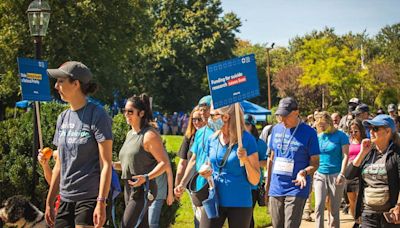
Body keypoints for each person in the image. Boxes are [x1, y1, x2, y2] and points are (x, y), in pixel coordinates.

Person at [45, 61, 113, 228]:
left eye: (61, 81)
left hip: (89, 197)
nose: (56, 86)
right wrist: (49, 201)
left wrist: (101, 202)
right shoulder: (62, 118)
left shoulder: (97, 114)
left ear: (76, 84)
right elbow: (59, 164)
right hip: (65, 198)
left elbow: (106, 163)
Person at [112, 94, 172, 228]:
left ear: (141, 113)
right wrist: (110, 165)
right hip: (130, 187)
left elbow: (164, 163)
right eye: (124, 111)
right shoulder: (130, 134)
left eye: (130, 111)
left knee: (126, 225)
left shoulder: (149, 135)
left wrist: (146, 178)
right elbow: (128, 164)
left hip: (144, 189)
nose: (126, 114)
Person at [199, 104, 260, 228]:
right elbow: (209, 165)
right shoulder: (212, 139)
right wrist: (204, 171)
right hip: (215, 198)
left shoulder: (247, 140)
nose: (208, 119)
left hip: (240, 202)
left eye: (212, 115)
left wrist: (246, 160)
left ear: (225, 117)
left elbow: (255, 180)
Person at [266, 97, 320, 228]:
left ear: (296, 112)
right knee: (276, 225)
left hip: (296, 187)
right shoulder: (276, 129)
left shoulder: (309, 133)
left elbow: (315, 162)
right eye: (280, 116)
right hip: (276, 187)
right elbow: (271, 158)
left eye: (286, 116)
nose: (283, 120)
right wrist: (267, 185)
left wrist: (304, 172)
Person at [346, 114, 400, 227]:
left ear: (388, 131)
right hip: (368, 214)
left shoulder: (396, 154)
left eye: (375, 128)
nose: (371, 131)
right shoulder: (368, 153)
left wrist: (398, 206)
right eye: (370, 128)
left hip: (390, 216)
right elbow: (349, 175)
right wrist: (362, 153)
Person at [174, 96, 214, 224]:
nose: (202, 113)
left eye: (205, 109)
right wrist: (182, 183)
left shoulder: (220, 131)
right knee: (200, 220)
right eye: (201, 110)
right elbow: (192, 160)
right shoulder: (199, 133)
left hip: (217, 184)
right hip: (200, 184)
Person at [313, 111, 349, 228]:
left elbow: (346, 156)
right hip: (320, 175)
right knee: (318, 205)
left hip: (336, 175)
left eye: (323, 125)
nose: (321, 128)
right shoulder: (319, 137)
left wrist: (342, 174)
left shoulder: (341, 136)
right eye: (319, 126)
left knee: (334, 209)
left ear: (329, 123)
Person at [244, 114, 268, 228]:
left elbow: (266, 162)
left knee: (248, 215)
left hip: (253, 185)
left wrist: (251, 163)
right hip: (239, 183)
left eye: (247, 124)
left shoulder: (260, 144)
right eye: (242, 124)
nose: (244, 126)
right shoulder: (237, 141)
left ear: (252, 126)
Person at [346, 119, 367, 220]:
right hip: (350, 173)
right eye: (351, 131)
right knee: (351, 201)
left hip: (361, 173)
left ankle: (362, 221)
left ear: (361, 130)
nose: (353, 133)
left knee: (361, 200)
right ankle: (356, 220)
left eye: (355, 131)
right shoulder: (348, 141)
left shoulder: (366, 141)